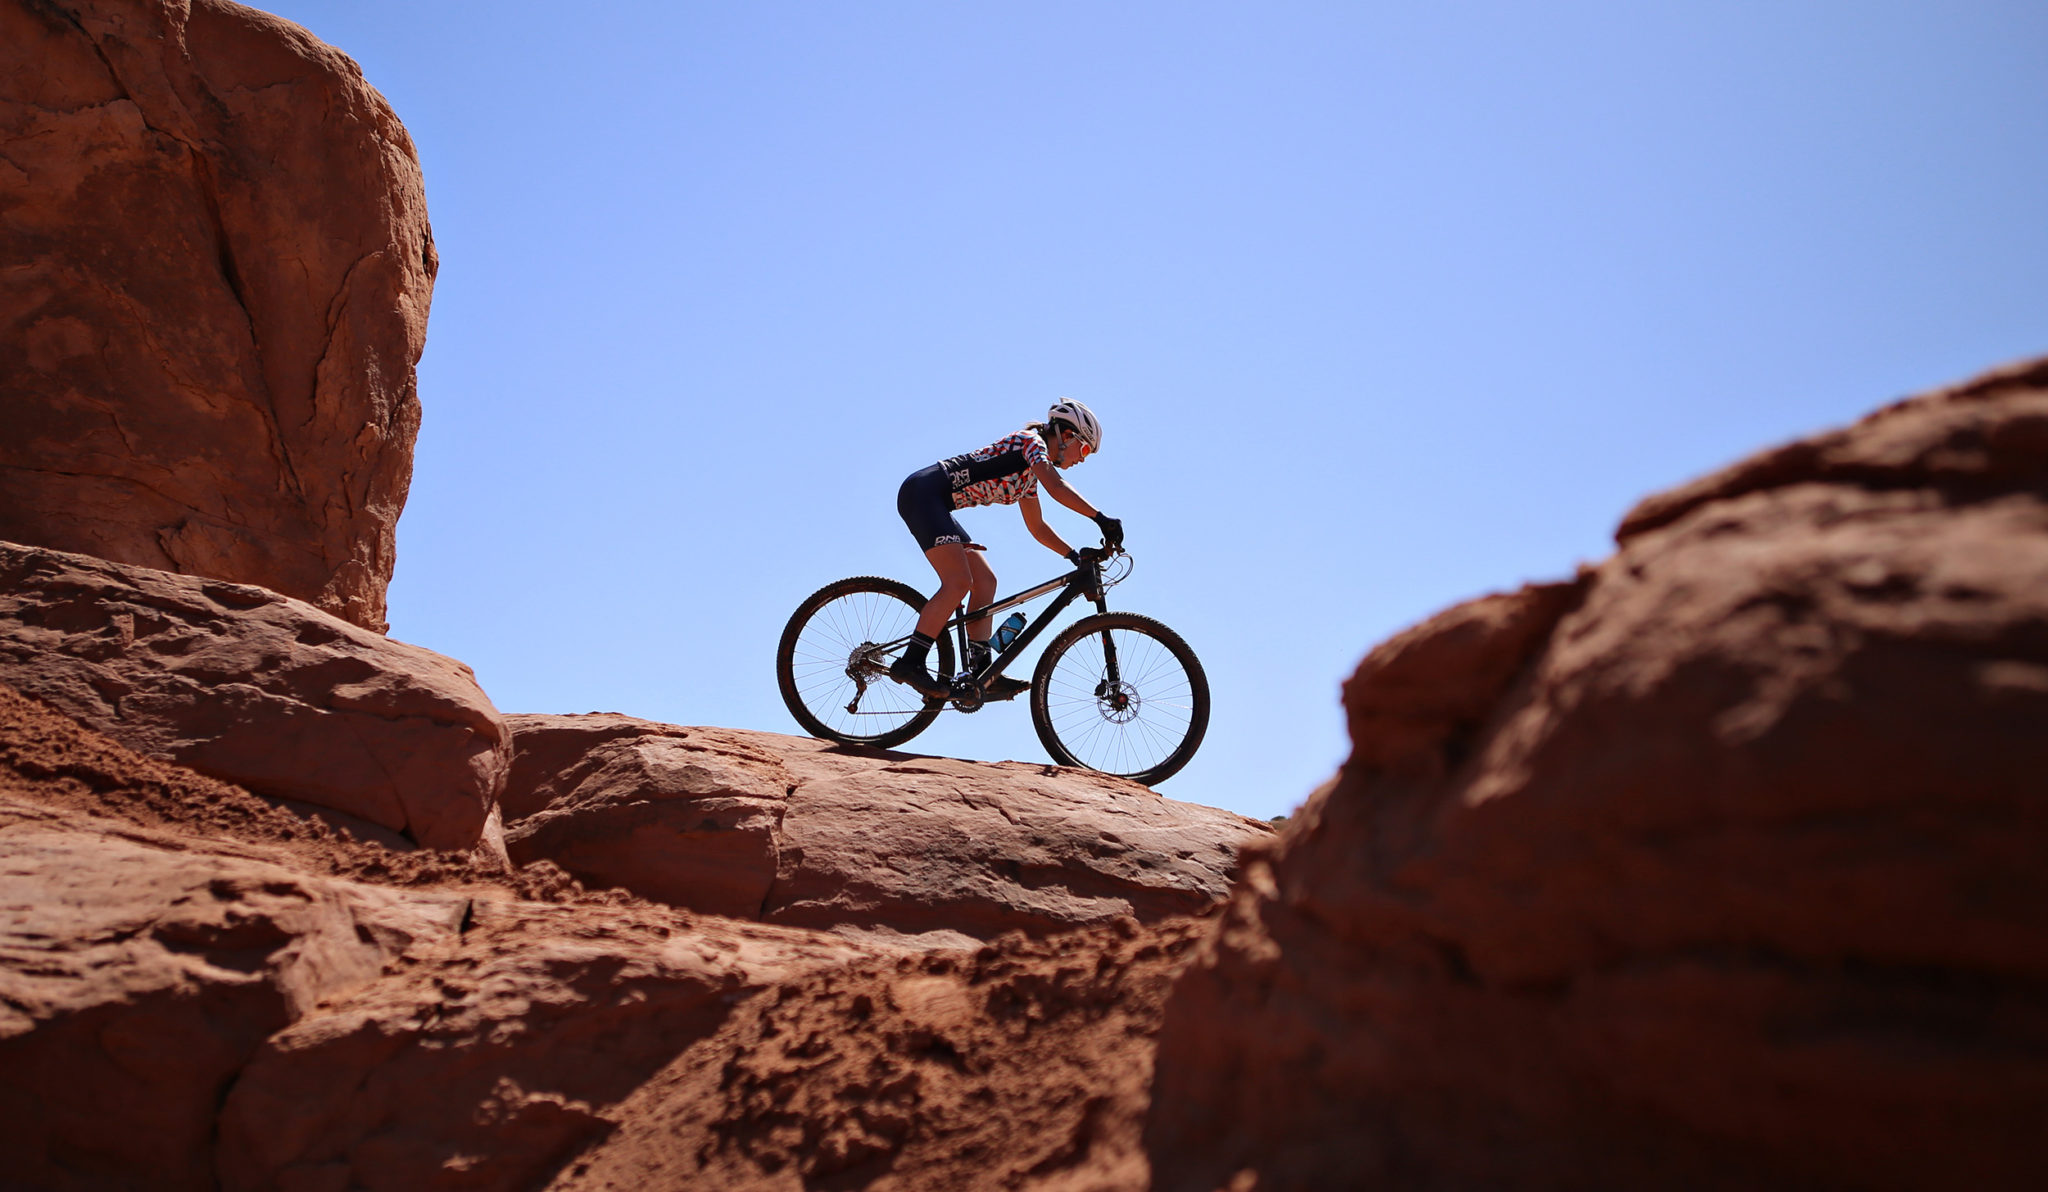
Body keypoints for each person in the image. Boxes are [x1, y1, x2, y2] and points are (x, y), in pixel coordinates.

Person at [890, 399, 1123, 700]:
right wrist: (1100, 518)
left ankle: (981, 671)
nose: (1084, 459)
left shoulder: (1029, 475)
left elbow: (1037, 527)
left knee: (986, 581)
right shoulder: (1031, 443)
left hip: (936, 503)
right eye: (1086, 450)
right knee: (958, 582)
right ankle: (911, 662)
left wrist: (1074, 556)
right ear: (1067, 436)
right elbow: (1057, 487)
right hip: (922, 495)